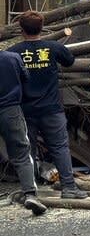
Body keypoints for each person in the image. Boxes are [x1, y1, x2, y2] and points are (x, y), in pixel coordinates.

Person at [8, 11, 86, 199]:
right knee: (59, 147)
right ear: (42, 28)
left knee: (28, 150)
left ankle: (31, 192)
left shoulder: (12, 52)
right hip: (52, 109)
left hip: (25, 110)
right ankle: (69, 187)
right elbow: (70, 61)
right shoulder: (53, 48)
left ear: (21, 29)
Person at [0, 50, 47, 215]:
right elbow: (26, 79)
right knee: (21, 152)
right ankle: (30, 194)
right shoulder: (12, 58)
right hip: (10, 109)